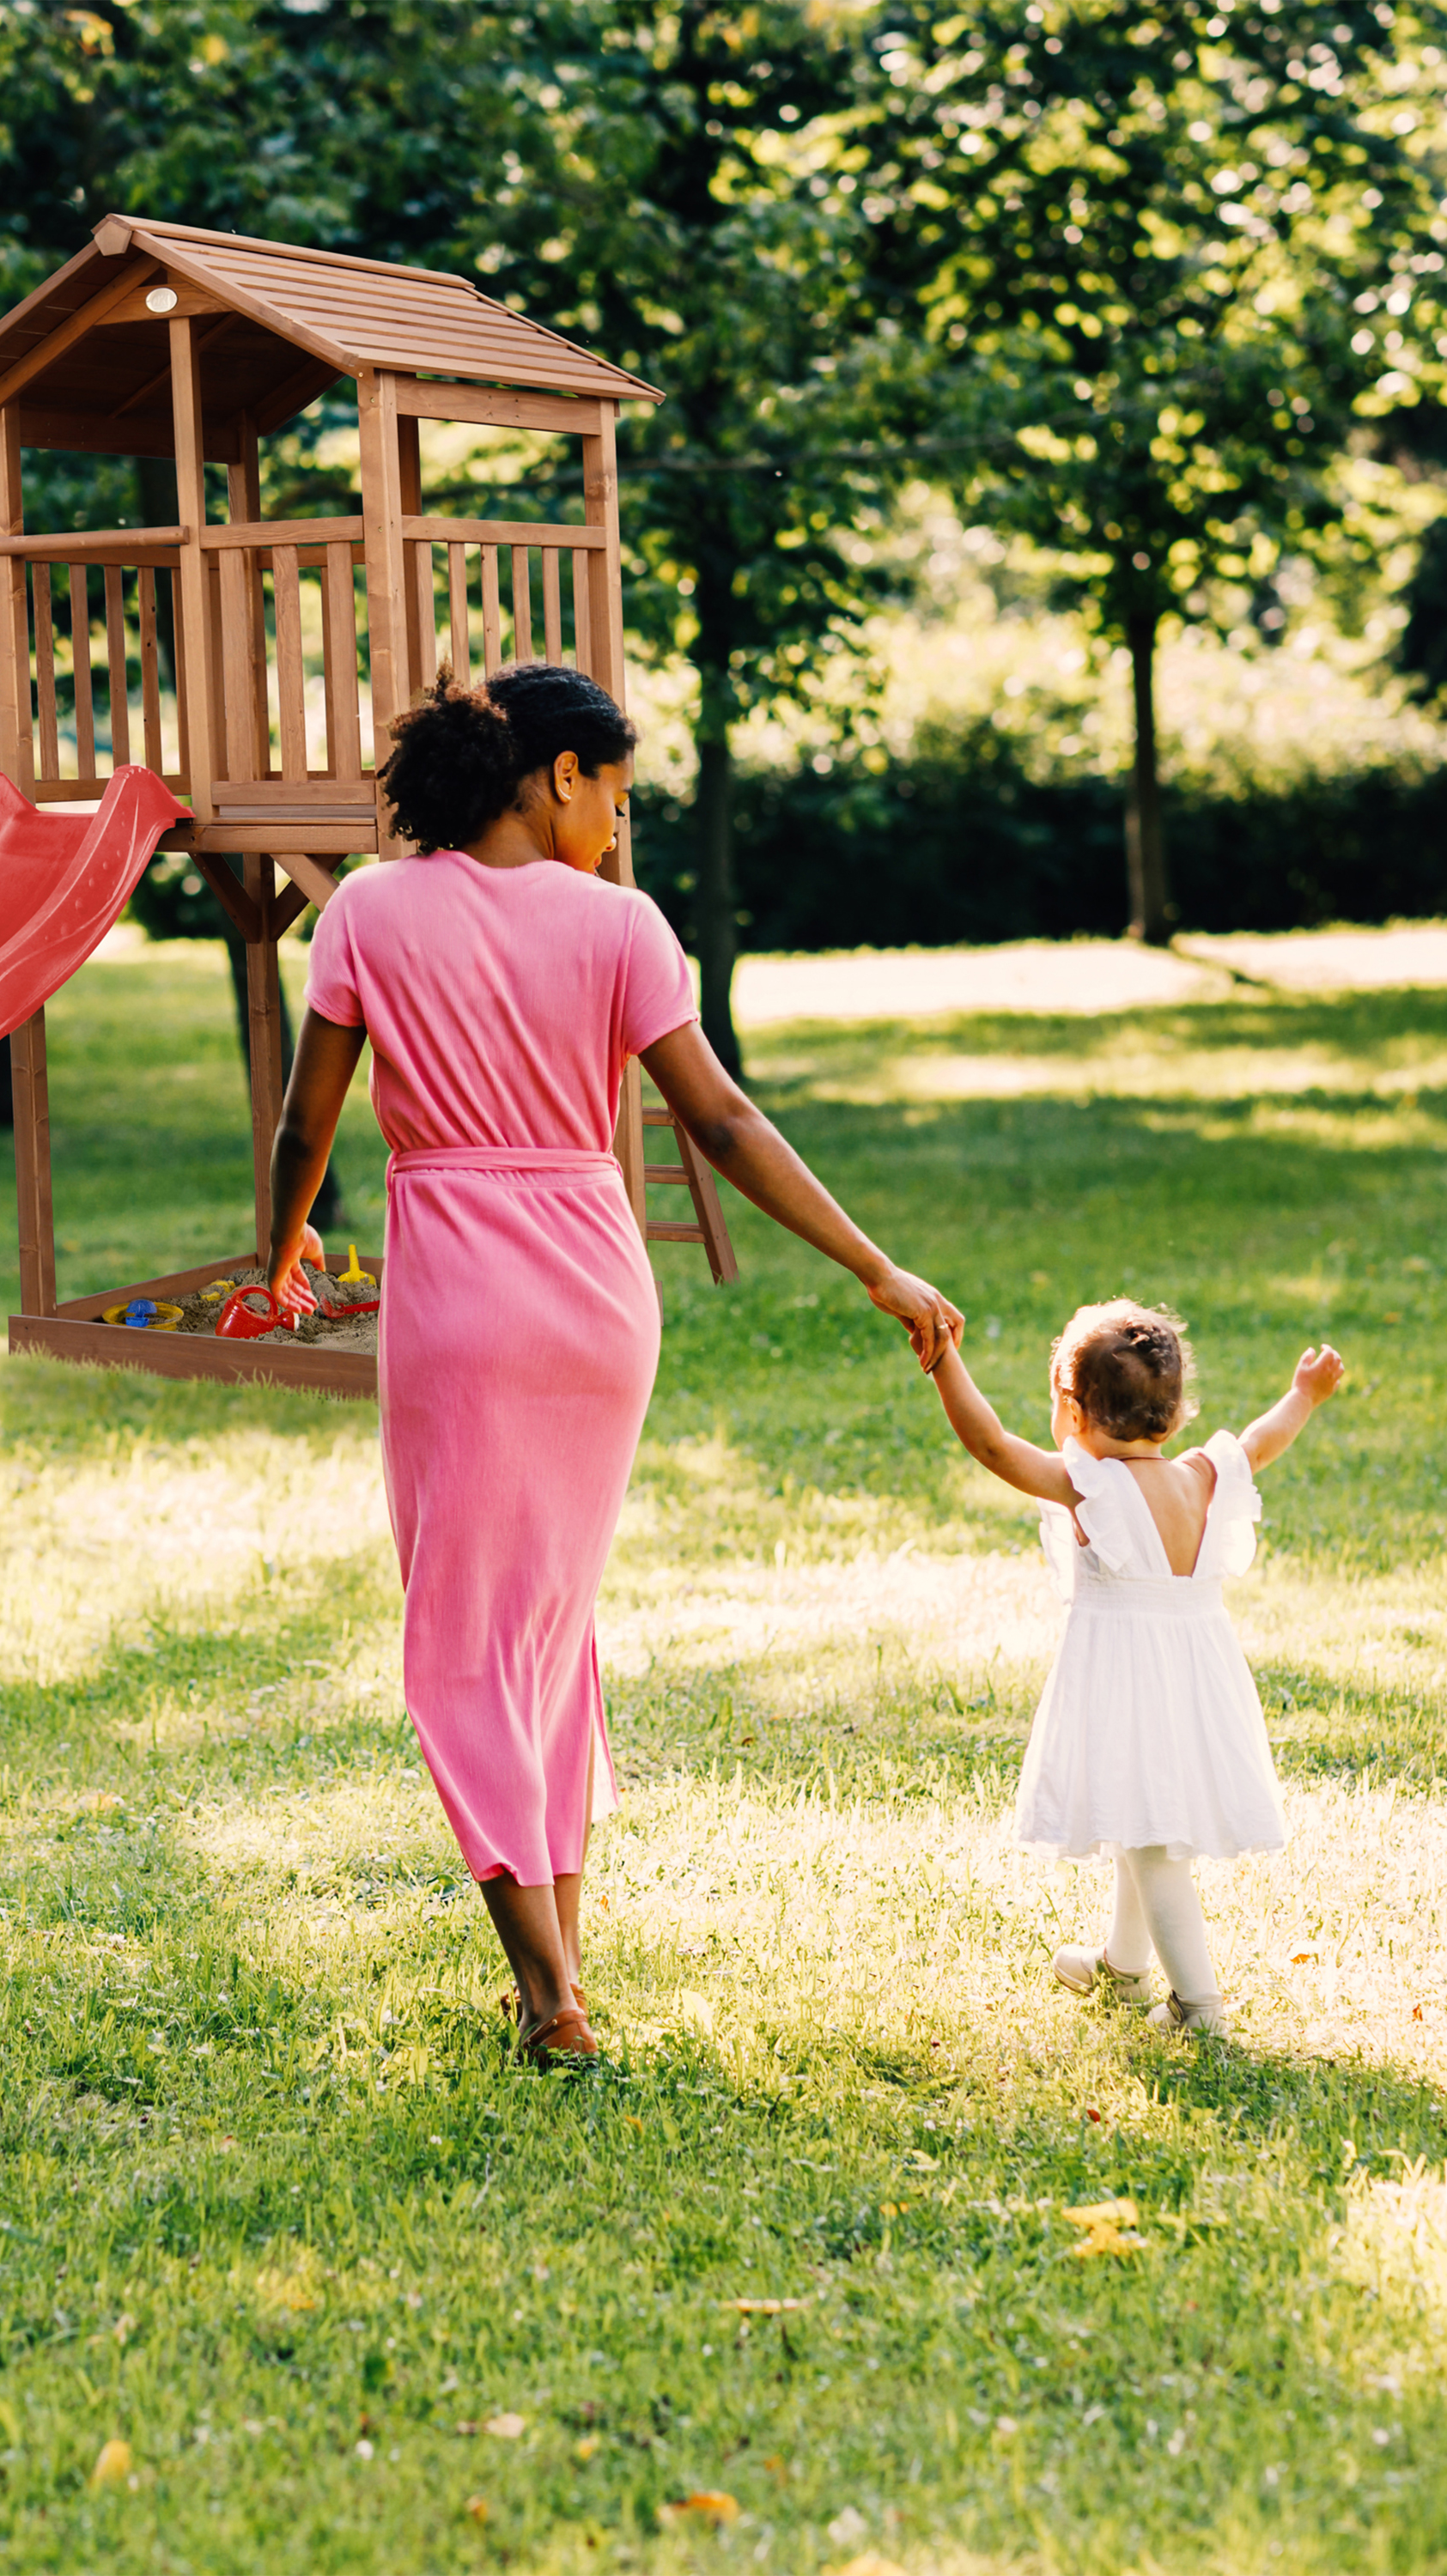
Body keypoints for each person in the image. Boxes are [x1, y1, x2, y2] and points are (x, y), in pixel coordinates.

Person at [258, 663, 962, 2068]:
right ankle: (559, 1968)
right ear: (559, 774)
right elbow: (722, 1123)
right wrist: (872, 1263)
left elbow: (305, 1126)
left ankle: (546, 1996)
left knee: (465, 1643)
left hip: (458, 1302)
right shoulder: (624, 929)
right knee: (548, 1634)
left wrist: (277, 1256)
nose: (619, 832)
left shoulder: (368, 913)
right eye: (618, 798)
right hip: (596, 1302)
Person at [923, 1301, 1347, 2036]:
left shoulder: (1091, 1488)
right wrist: (1303, 1395)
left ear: (1073, 1410)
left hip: (1128, 1684)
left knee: (1152, 1845)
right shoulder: (1204, 1476)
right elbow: (1261, 1439)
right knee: (1136, 1817)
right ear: (1176, 1414)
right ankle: (1123, 1968)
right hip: (1195, 1680)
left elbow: (991, 1445)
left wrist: (943, 1360)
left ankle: (1198, 2007)